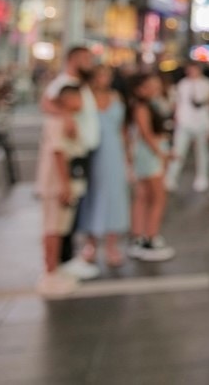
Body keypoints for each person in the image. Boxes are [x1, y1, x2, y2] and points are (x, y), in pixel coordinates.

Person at [40, 46, 101, 278]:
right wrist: (65, 115)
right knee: (62, 212)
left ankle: (66, 258)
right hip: (67, 156)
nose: (90, 62)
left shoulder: (80, 84)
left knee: (72, 209)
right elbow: (47, 103)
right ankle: (61, 260)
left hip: (80, 151)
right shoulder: (64, 84)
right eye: (86, 58)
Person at [35, 85, 88, 297]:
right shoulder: (58, 122)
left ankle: (54, 270)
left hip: (64, 182)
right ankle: (50, 272)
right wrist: (65, 185)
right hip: (56, 184)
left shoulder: (67, 120)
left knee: (59, 227)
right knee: (53, 228)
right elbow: (57, 153)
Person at [77, 65, 130, 267]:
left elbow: (123, 128)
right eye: (101, 75)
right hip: (93, 151)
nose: (104, 79)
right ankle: (90, 242)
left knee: (114, 196)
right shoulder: (85, 97)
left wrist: (128, 155)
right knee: (92, 194)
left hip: (114, 151)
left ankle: (111, 244)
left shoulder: (116, 96)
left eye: (107, 75)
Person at [126, 72, 176, 262]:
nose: (155, 88)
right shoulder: (142, 106)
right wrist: (162, 153)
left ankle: (140, 236)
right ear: (140, 89)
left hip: (148, 154)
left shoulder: (148, 104)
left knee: (143, 197)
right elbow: (146, 134)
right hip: (150, 155)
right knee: (157, 198)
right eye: (150, 85)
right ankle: (150, 238)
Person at [166, 62, 209, 193]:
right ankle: (171, 178)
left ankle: (202, 177)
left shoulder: (207, 84)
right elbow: (177, 103)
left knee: (202, 152)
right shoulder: (182, 84)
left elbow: (207, 103)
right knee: (178, 150)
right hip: (184, 122)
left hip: (202, 122)